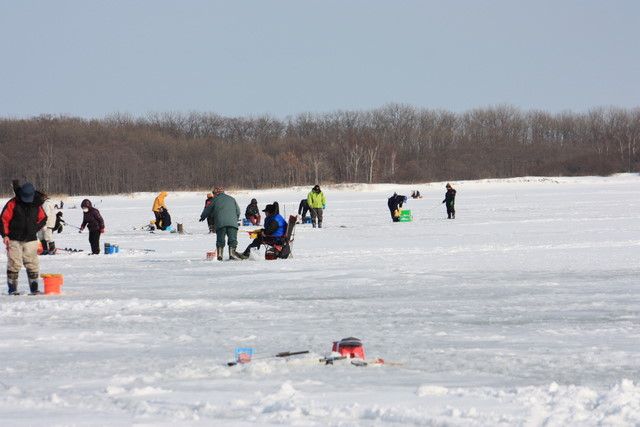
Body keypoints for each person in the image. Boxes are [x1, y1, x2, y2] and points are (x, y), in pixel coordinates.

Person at [1, 182, 48, 294]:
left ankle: (34, 288)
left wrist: (34, 228)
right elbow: (3, 220)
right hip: (14, 238)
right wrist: (5, 235)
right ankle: (12, 289)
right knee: (14, 263)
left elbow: (43, 218)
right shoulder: (13, 203)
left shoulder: (37, 204)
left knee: (32, 263)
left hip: (30, 239)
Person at [199, 187, 242, 261]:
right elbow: (238, 211)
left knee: (220, 240)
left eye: (214, 193)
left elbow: (208, 209)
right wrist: (235, 219)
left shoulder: (214, 200)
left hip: (220, 223)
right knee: (232, 239)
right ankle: (232, 254)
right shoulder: (232, 199)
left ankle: (220, 255)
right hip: (233, 223)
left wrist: (202, 217)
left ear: (216, 193)